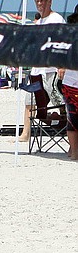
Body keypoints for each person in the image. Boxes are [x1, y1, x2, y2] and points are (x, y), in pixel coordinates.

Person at [20, 0, 66, 137]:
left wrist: (62, 65)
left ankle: (66, 128)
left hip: (51, 69)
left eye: (43, 0)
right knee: (30, 103)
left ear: (49, 1)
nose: (40, 3)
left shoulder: (57, 19)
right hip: (37, 70)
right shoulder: (38, 22)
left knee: (60, 101)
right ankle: (25, 134)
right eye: (37, 1)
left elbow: (63, 42)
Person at [58, 11, 78, 160]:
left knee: (72, 119)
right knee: (72, 120)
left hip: (69, 84)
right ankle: (74, 152)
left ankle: (73, 151)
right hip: (71, 84)